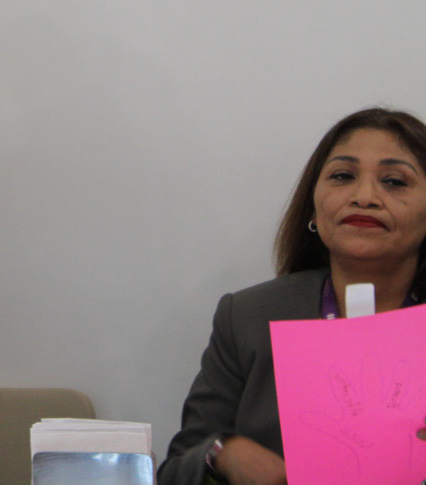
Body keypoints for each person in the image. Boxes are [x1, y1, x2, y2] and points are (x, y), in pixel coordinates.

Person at [158, 107, 426, 485]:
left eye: (394, 181)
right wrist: (223, 453)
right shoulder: (248, 316)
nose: (364, 196)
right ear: (313, 206)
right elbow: (176, 468)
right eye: (343, 176)